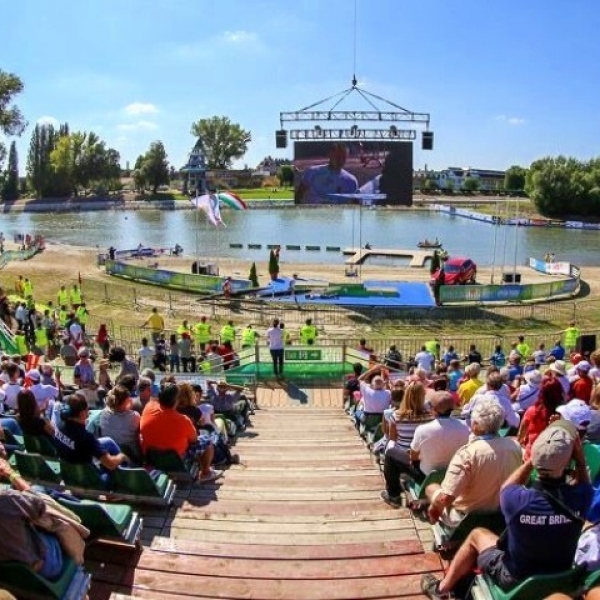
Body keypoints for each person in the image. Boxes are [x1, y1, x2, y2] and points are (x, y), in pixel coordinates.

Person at [421, 420, 591, 600]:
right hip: (560, 577)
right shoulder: (581, 497)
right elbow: (584, 484)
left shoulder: (516, 500)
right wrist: (580, 459)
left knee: (477, 534)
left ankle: (441, 589)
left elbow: (507, 487)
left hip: (515, 578)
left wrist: (532, 460)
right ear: (570, 460)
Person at [424, 398, 522, 530]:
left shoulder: (467, 454)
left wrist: (434, 507)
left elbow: (446, 499)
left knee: (431, 488)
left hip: (467, 518)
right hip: (501, 513)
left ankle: (440, 524)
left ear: (475, 425)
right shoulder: (515, 447)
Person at [140, 382, 222, 483]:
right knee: (206, 440)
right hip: (176, 458)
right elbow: (194, 439)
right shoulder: (183, 420)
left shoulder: (149, 407)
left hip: (152, 456)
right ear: (176, 400)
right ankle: (205, 473)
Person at [379, 382, 435, 507]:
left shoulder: (396, 416)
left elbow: (393, 438)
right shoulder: (431, 417)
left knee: (390, 454)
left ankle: (393, 495)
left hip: (408, 460)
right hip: (425, 459)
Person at [54, 393, 128, 473]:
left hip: (67, 471)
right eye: (87, 409)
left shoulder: (59, 425)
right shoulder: (86, 438)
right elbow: (111, 464)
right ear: (82, 413)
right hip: (88, 477)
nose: (88, 412)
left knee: (108, 441)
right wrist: (122, 457)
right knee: (118, 462)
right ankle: (128, 473)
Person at [295, 143, 359, 205]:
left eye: (344, 158)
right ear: (330, 155)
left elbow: (356, 205)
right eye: (338, 157)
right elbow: (298, 196)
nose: (340, 160)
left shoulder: (351, 181)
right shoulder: (312, 172)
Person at [98, 385, 142, 463]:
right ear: (126, 401)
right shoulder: (134, 416)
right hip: (130, 457)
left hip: (109, 455)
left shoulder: (103, 413)